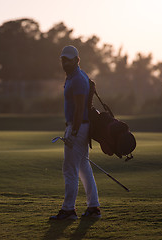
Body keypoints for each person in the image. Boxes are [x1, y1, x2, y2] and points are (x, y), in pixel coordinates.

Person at [49, 45, 101, 220]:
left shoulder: (78, 78)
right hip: (79, 127)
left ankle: (68, 209)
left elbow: (79, 109)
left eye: (69, 59)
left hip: (78, 127)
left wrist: (73, 132)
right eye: (63, 59)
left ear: (77, 60)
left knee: (69, 169)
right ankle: (93, 208)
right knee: (83, 168)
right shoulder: (73, 76)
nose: (65, 63)